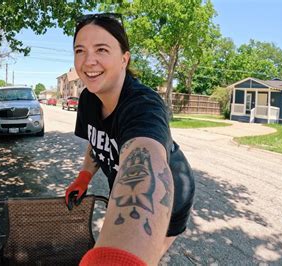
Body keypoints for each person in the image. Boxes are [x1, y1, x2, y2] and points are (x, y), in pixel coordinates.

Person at [64, 13, 195, 265]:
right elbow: (96, 138)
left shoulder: (143, 105)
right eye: (80, 50)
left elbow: (146, 159)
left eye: (101, 49)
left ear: (124, 58)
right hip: (120, 187)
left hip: (169, 196)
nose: (88, 60)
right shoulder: (88, 98)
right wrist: (84, 175)